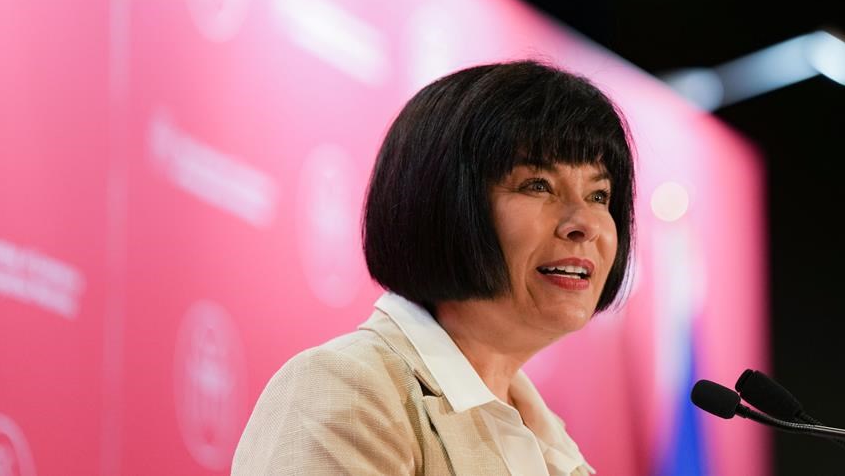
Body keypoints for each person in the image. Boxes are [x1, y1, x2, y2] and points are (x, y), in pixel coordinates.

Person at [232, 60, 636, 475]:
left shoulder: (553, 448)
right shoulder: (347, 389)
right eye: (538, 185)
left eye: (600, 195)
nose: (584, 224)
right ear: (446, 205)